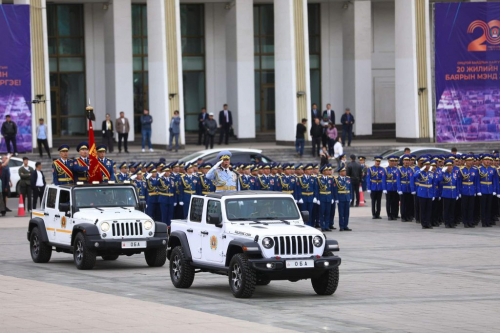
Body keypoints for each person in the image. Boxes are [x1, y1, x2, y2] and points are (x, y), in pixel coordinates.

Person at [412, 159, 434, 229]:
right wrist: (421, 169)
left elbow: (433, 183)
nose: (427, 166)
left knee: (429, 209)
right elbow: (414, 176)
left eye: (428, 165)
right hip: (422, 192)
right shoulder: (420, 173)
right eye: (426, 165)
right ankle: (423, 223)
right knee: (423, 209)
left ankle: (428, 222)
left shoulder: (430, 173)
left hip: (429, 193)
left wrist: (433, 194)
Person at [437, 160, 459, 228]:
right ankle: (446, 222)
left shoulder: (454, 173)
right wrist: (442, 172)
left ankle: (451, 222)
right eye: (448, 166)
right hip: (446, 193)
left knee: (452, 209)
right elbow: (439, 180)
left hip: (453, 193)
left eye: (451, 165)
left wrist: (457, 193)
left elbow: (457, 184)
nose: (450, 167)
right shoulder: (443, 174)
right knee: (446, 209)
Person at [316, 164, 335, 231]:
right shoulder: (319, 179)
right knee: (322, 213)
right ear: (323, 172)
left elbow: (332, 189)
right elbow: (317, 190)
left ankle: (327, 226)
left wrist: (332, 198)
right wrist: (317, 199)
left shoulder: (330, 179)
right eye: (326, 170)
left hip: (329, 197)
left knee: (328, 212)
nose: (328, 171)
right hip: (322, 197)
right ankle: (322, 226)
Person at [334, 164, 352, 231]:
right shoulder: (337, 179)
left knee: (347, 213)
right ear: (340, 172)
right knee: (341, 213)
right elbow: (335, 190)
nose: (345, 172)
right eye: (343, 171)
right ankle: (341, 226)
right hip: (340, 198)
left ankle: (345, 225)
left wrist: (351, 197)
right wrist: (336, 198)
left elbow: (350, 188)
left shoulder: (348, 178)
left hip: (347, 197)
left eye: (345, 171)